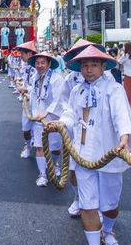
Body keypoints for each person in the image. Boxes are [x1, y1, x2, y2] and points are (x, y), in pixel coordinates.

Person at [54, 45, 131, 245]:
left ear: (103, 66)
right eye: (84, 65)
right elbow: (71, 113)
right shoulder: (76, 90)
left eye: (93, 65)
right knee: (87, 203)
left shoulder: (114, 89)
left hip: (109, 153)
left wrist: (124, 139)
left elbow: (122, 115)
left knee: (110, 204)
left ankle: (108, 229)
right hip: (82, 156)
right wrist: (61, 123)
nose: (88, 69)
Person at [60, 39, 108, 218]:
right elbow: (67, 103)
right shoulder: (71, 79)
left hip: (100, 134)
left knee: (100, 174)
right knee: (73, 171)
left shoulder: (107, 80)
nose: (88, 67)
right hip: (76, 131)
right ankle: (79, 198)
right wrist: (64, 121)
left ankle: (100, 209)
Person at [26, 51, 64, 187]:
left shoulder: (57, 79)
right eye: (37, 63)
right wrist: (25, 92)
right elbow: (33, 94)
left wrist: (47, 113)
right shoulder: (35, 77)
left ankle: (54, 163)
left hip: (53, 118)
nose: (40, 65)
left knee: (55, 148)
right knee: (39, 147)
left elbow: (59, 99)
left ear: (49, 64)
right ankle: (42, 174)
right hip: (38, 118)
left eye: (43, 63)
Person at [16, 41, 38, 159]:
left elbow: (37, 85)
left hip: (38, 102)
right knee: (26, 128)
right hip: (27, 102)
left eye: (22, 54)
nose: (20, 56)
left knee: (39, 128)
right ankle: (28, 146)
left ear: (29, 54)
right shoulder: (26, 66)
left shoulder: (38, 66)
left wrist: (26, 89)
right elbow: (26, 80)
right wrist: (20, 83)